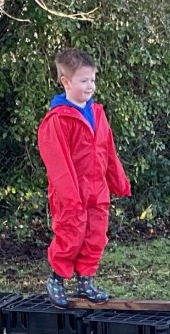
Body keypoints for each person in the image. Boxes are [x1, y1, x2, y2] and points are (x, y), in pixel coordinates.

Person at [37, 47, 132, 308]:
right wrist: (70, 197)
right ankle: (57, 279)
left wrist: (119, 181)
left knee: (96, 235)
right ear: (66, 82)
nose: (90, 86)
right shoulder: (57, 120)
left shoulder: (97, 113)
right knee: (71, 234)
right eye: (83, 81)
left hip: (97, 189)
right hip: (71, 192)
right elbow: (57, 163)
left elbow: (108, 150)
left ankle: (85, 282)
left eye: (92, 80)